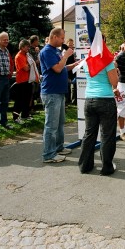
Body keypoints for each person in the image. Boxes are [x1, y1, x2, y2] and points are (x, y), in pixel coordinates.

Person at [40, 28, 80, 163]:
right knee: (51, 125)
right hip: (51, 93)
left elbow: (61, 66)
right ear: (55, 37)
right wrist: (66, 56)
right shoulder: (46, 51)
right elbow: (57, 69)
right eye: (62, 38)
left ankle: (58, 147)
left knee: (59, 123)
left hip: (59, 92)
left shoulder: (56, 51)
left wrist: (73, 65)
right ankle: (49, 154)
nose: (63, 41)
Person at [78, 51, 120, 176]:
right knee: (107, 135)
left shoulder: (86, 61)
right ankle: (107, 167)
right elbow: (114, 82)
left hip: (89, 99)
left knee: (89, 133)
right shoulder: (107, 62)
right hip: (105, 99)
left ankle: (84, 165)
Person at [13, 39, 39, 124]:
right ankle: (16, 117)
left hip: (28, 80)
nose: (28, 48)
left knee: (27, 99)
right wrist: (31, 64)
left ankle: (25, 115)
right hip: (21, 81)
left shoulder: (26, 55)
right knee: (20, 99)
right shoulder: (19, 56)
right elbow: (26, 68)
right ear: (22, 47)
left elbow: (29, 66)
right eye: (27, 46)